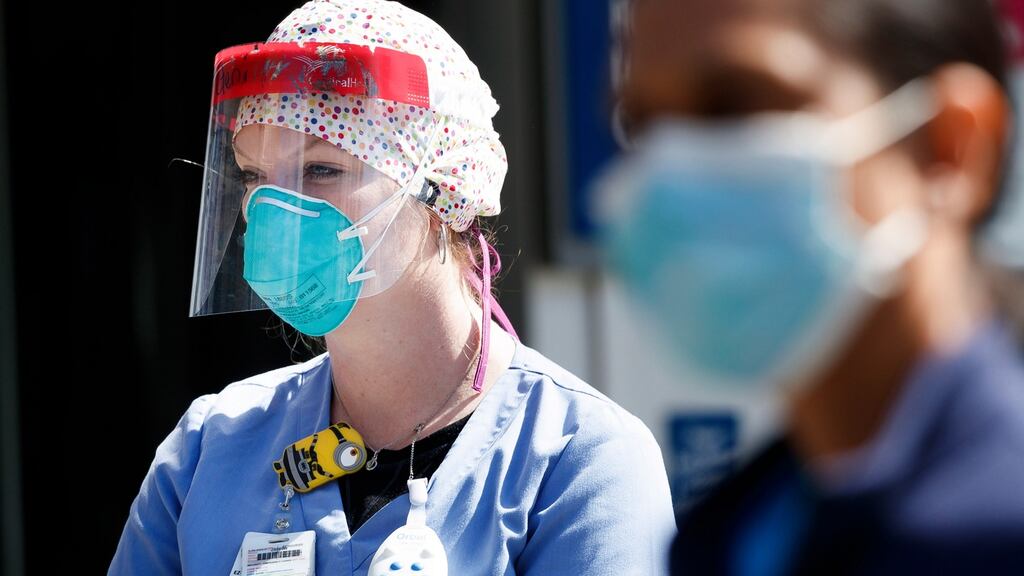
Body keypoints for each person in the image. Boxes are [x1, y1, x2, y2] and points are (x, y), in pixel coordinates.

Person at [109, 1, 676, 574]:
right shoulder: (210, 448)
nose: (271, 212)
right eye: (255, 176)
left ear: (443, 193)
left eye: (321, 170)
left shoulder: (581, 460)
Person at [597, 0, 1024, 573]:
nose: (676, 167)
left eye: (735, 107)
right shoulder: (732, 534)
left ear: (948, 148)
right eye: (643, 123)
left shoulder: (995, 529)